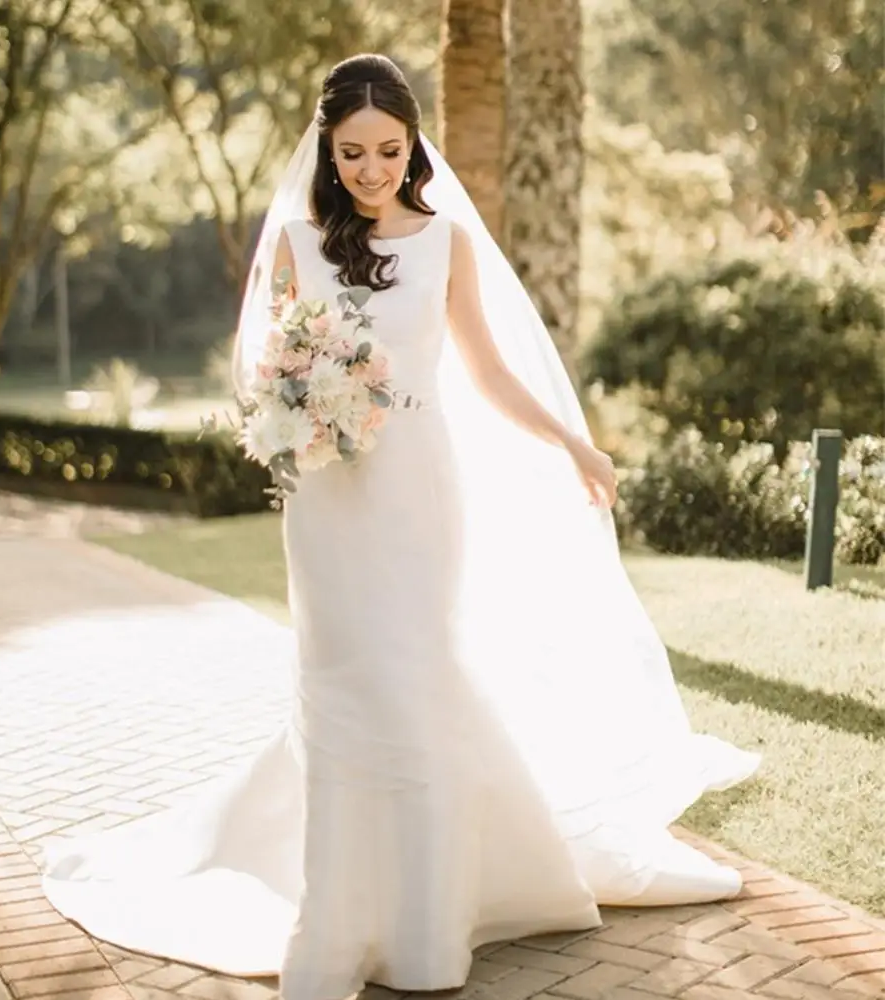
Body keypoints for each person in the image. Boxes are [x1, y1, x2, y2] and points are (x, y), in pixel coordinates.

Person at [43, 53, 760, 1000]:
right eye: (353, 152)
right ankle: (333, 926)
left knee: (417, 681)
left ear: (414, 145)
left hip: (423, 494)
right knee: (343, 687)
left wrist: (573, 446)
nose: (373, 168)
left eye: (390, 149)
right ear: (327, 148)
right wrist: (297, 409)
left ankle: (428, 928)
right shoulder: (298, 242)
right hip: (330, 503)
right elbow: (267, 373)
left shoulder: (446, 239)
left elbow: (491, 371)